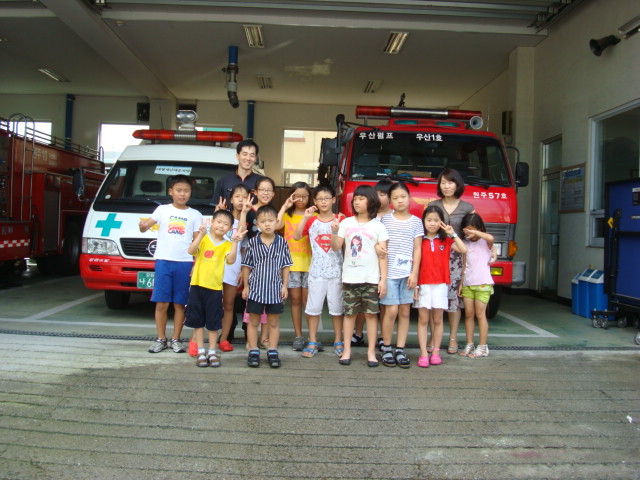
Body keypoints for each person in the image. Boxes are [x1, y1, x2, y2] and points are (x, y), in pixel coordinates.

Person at [139, 174, 203, 354]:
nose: (182, 194)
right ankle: (161, 338)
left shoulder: (195, 215)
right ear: (170, 191)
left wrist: (196, 264)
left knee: (180, 304)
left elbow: (197, 242)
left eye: (186, 191)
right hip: (164, 261)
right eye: (178, 190)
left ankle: (176, 339)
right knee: (161, 303)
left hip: (185, 263)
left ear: (190, 192)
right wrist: (142, 226)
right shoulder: (162, 210)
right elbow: (145, 226)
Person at [331, 185, 388, 367]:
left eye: (361, 198)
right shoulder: (346, 223)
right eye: (355, 199)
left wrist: (383, 280)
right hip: (350, 277)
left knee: (371, 315)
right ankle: (347, 350)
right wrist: (334, 232)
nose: (356, 202)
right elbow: (336, 247)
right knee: (349, 315)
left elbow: (383, 255)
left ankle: (371, 352)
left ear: (371, 201)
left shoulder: (379, 226)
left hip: (371, 279)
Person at [184, 210, 244, 367]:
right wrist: (200, 235)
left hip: (215, 289)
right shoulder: (204, 238)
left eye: (226, 224)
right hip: (197, 286)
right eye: (219, 222)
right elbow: (191, 251)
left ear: (230, 228)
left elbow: (231, 260)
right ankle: (201, 351)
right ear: (212, 222)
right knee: (198, 321)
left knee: (213, 321)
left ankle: (212, 351)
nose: (221, 226)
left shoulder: (227, 244)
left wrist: (235, 242)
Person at [293, 183, 345, 358]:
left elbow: (341, 247)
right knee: (313, 309)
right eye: (320, 199)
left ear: (333, 200)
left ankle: (338, 340)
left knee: (337, 310)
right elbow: (296, 236)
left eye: (327, 198)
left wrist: (336, 231)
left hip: (336, 272)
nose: (323, 202)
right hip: (316, 272)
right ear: (314, 201)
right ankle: (313, 341)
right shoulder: (311, 220)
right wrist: (305, 218)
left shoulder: (341, 220)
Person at [428, 168, 474, 354]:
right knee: (433, 298)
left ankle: (453, 337)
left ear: (457, 184)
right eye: (443, 183)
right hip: (435, 256)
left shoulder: (467, 208)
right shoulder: (433, 205)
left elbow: (473, 234)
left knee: (454, 299)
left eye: (450, 182)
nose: (446, 186)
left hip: (456, 258)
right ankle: (433, 337)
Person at [414, 205, 467, 368]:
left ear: (442, 222)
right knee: (423, 319)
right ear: (423, 221)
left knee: (438, 319)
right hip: (423, 283)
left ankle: (436, 352)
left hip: (441, 284)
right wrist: (415, 284)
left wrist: (453, 233)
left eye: (436, 220)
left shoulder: (447, 240)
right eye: (429, 220)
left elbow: (463, 249)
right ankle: (424, 353)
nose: (432, 223)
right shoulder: (419, 240)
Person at [242, 205, 293, 368]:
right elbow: (246, 266)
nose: (267, 224)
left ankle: (272, 350)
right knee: (253, 321)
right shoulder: (253, 242)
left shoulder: (282, 242)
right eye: (263, 221)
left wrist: (285, 286)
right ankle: (253, 351)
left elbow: (286, 265)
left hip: (275, 290)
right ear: (257, 224)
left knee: (273, 322)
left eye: (271, 220)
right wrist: (245, 286)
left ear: (277, 222)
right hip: (256, 289)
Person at [379, 182, 423, 368]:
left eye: (403, 197)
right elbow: (379, 243)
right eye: (395, 198)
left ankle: (400, 349)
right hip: (389, 273)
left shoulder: (416, 222)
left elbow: (418, 249)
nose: (400, 201)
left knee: (405, 312)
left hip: (407, 275)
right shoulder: (384, 220)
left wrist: (414, 274)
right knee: (391, 311)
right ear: (390, 201)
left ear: (409, 198)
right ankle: (387, 347)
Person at [352, 178, 393, 348]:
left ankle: (382, 336)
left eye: (383, 194)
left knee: (381, 305)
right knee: (363, 303)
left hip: (385, 264)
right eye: (377, 194)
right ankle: (358, 333)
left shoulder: (392, 217)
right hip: (366, 265)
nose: (379, 197)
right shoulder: (367, 216)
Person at [276, 181, 314, 351]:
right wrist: (285, 206)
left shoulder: (313, 214)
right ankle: (298, 336)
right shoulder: (287, 215)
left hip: (310, 264)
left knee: (309, 302)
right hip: (291, 265)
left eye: (304, 196)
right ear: (292, 196)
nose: (301, 199)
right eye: (297, 196)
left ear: (309, 197)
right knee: (296, 301)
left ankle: (313, 337)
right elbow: (276, 225)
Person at [217, 184, 253, 352]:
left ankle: (224, 338)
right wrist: (217, 213)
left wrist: (243, 270)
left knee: (229, 305)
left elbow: (242, 240)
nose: (241, 200)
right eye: (237, 196)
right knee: (210, 303)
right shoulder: (222, 218)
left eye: (244, 197)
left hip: (233, 267)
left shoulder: (243, 221)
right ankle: (199, 337)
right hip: (215, 265)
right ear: (231, 199)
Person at [459, 213, 495, 358]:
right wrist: (461, 283)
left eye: (473, 230)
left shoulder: (486, 242)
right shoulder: (465, 243)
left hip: (483, 284)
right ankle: (470, 344)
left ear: (479, 228)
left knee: (480, 315)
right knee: (468, 314)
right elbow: (464, 265)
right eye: (467, 230)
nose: (470, 234)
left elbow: (491, 238)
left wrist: (476, 232)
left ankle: (482, 346)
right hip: (468, 283)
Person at [212, 139, 262, 206]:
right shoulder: (224, 181)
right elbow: (215, 207)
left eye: (252, 155)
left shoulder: (261, 182)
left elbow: (268, 209)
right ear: (237, 156)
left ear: (255, 158)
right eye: (245, 154)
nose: (248, 158)